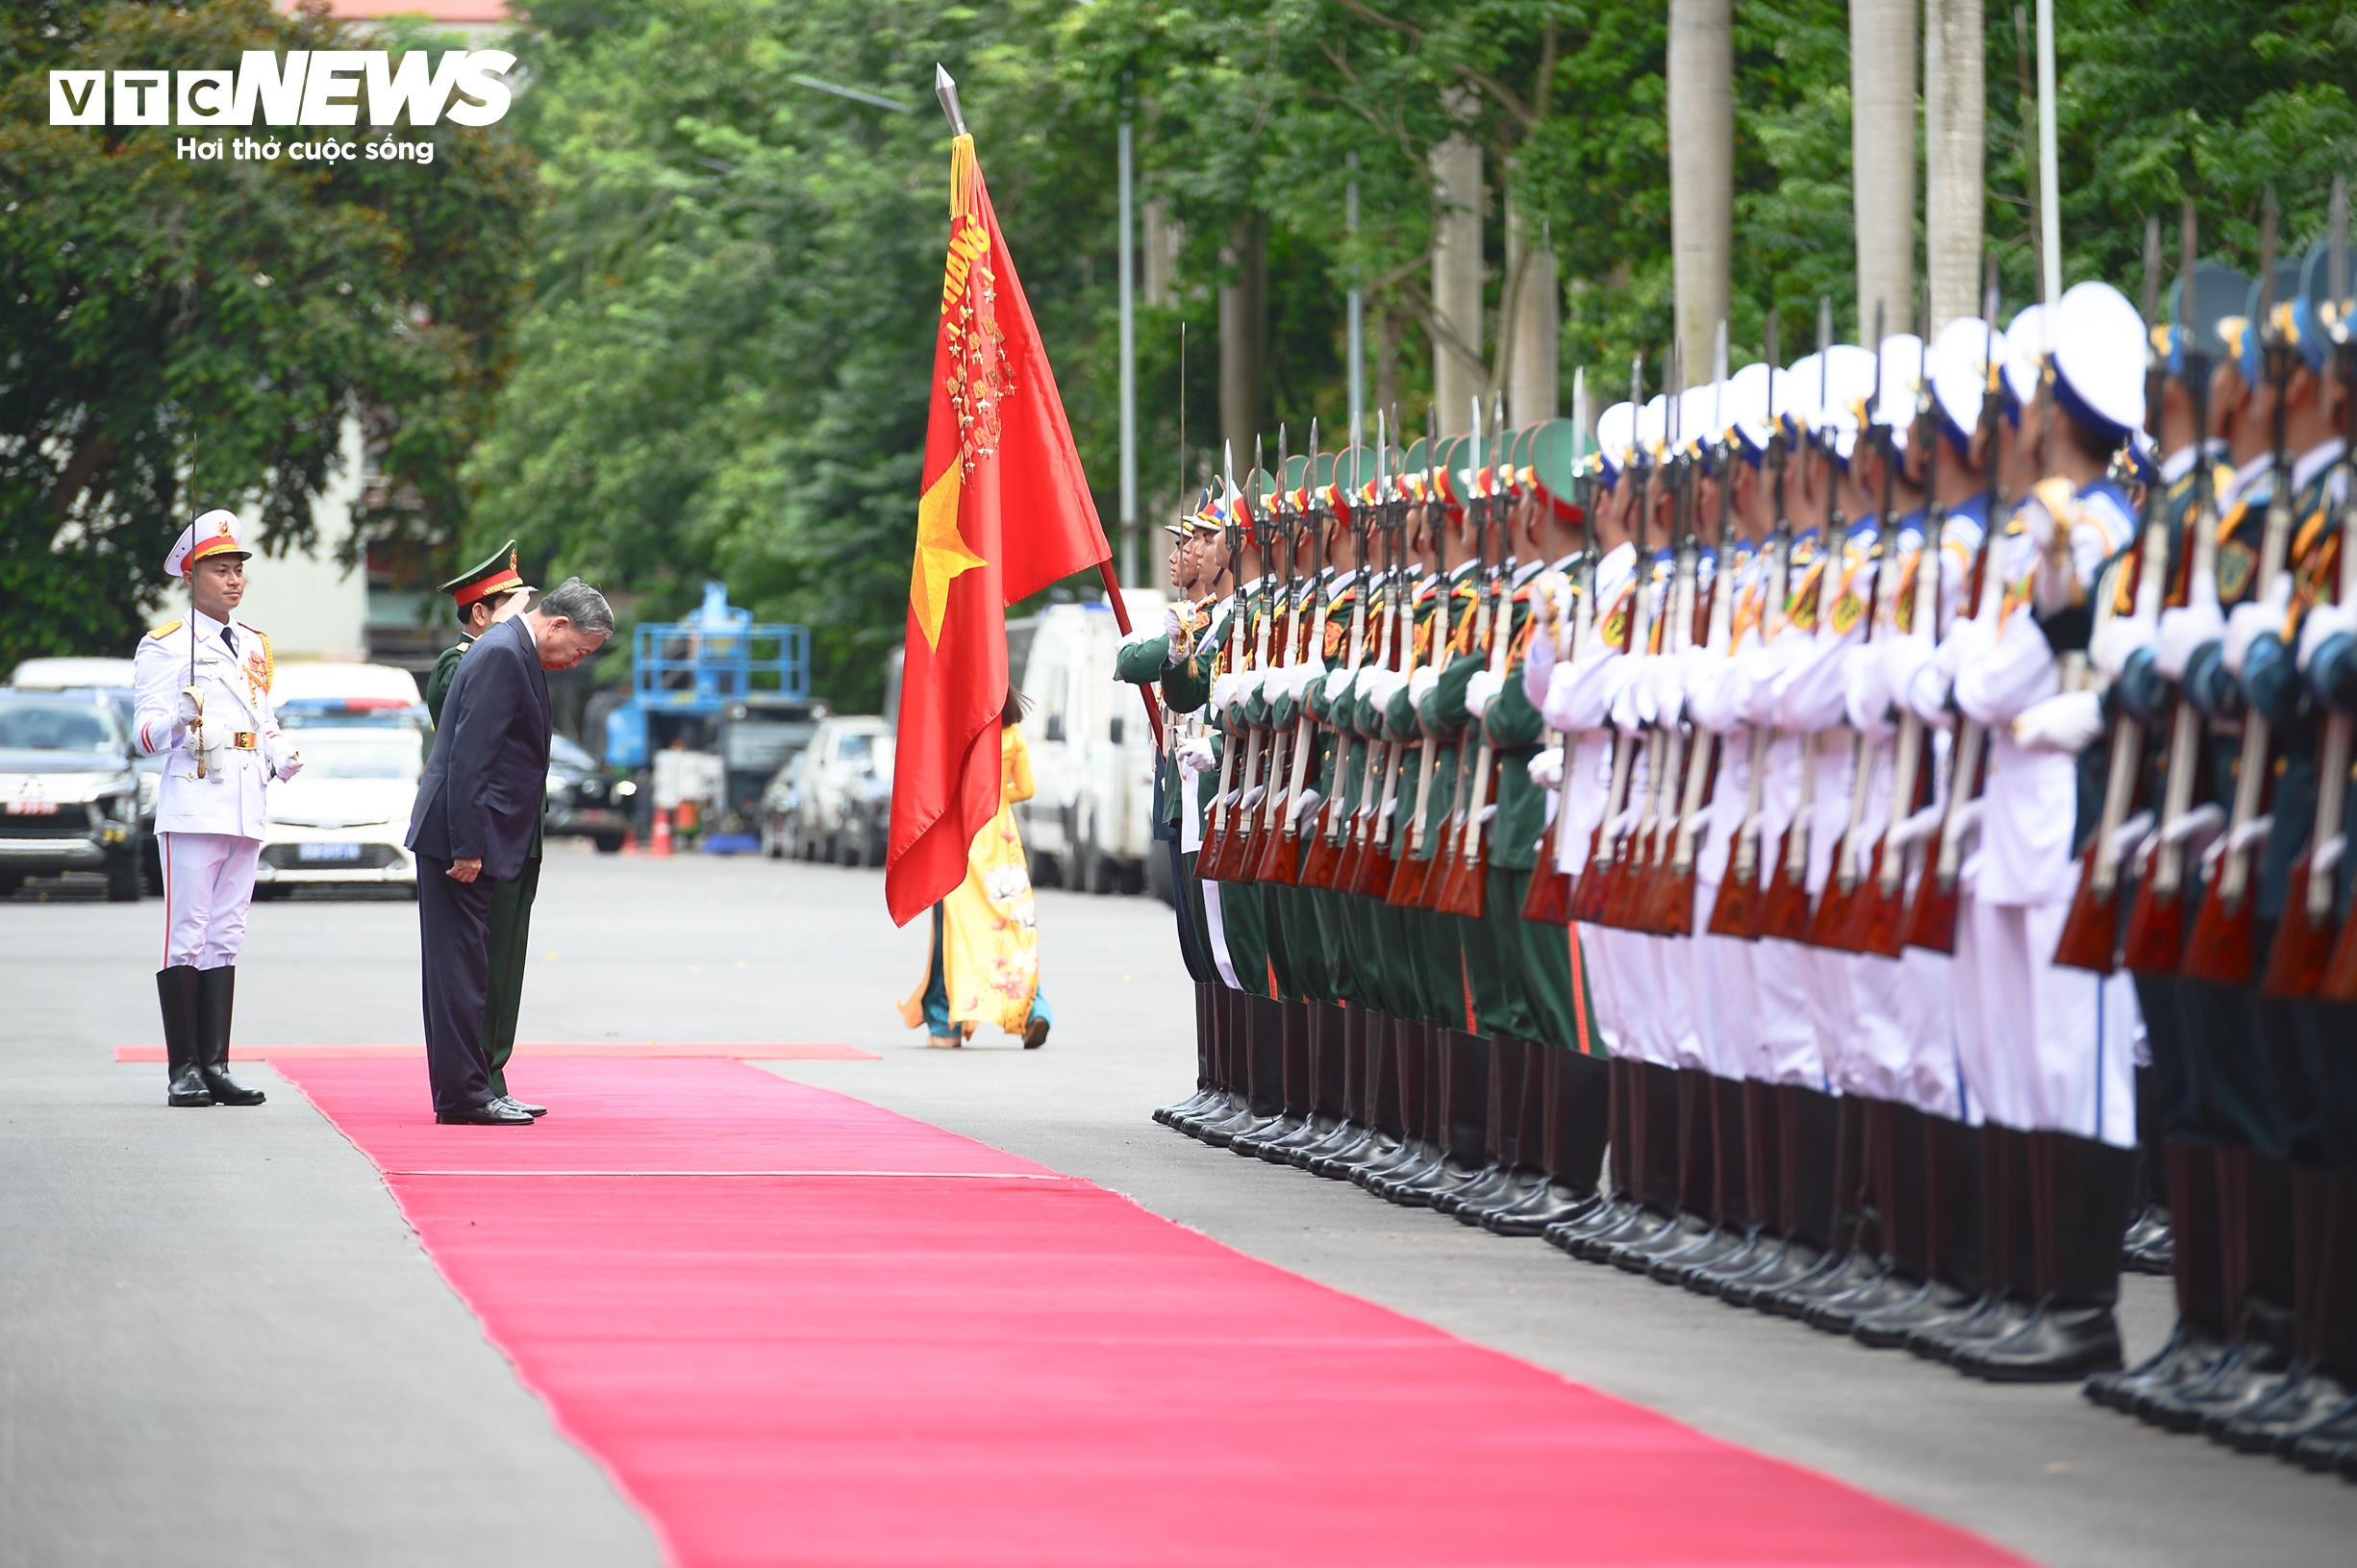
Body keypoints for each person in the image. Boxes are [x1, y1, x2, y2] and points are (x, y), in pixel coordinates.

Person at [408, 576, 613, 1124]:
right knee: (459, 972)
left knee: (469, 968)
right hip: (462, 840)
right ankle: (464, 1096)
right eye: (580, 649)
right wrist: (467, 845)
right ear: (558, 624)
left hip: (478, 835)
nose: (576, 661)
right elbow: (471, 757)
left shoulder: (512, 647)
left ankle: (474, 1087)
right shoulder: (503, 653)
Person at [133, 509, 301, 1108]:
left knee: (226, 934)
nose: (233, 580)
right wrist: (178, 722)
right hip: (195, 799)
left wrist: (278, 749)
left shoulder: (252, 642)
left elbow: (261, 715)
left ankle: (216, 1063)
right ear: (190, 576)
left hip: (245, 798)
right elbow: (144, 735)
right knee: (187, 933)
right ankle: (183, 1069)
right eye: (219, 570)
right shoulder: (167, 645)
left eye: (237, 570)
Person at [424, 541, 539, 1106]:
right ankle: (478, 1080)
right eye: (514, 607)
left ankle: (494, 1074)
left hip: (517, 832)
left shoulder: (515, 656)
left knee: (506, 962)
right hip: (484, 831)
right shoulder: (463, 661)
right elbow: (474, 743)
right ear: (481, 613)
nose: (525, 618)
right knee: (478, 964)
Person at [899, 687, 1052, 1049]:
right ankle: (1032, 1009)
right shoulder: (1013, 736)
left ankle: (946, 1024)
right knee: (1011, 928)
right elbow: (1027, 789)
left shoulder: (955, 737)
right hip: (1000, 843)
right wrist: (996, 795)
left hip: (960, 840)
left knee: (954, 930)